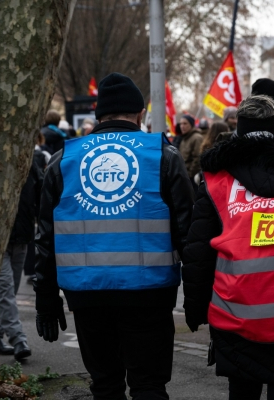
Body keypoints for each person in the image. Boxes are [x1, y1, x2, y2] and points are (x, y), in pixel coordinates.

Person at [34, 72, 195, 399]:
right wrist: (196, 296)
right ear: (140, 114)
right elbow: (188, 234)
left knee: (105, 383)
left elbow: (46, 239)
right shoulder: (163, 156)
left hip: (87, 293)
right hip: (149, 293)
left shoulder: (63, 160)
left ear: (98, 116)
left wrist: (46, 300)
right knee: (148, 384)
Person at [182, 95, 274, 400]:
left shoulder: (215, 179)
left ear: (239, 130)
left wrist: (195, 308)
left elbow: (198, 252)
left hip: (235, 316)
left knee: (242, 393)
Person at [0, 161, 43, 360]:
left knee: (9, 291)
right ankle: (18, 338)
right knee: (5, 291)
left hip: (22, 239)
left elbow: (41, 198)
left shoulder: (31, 164)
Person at [178, 114, 204, 180]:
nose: (182, 126)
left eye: (185, 123)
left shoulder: (197, 138)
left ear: (191, 125)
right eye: (181, 124)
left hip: (191, 178)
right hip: (183, 175)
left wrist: (190, 175)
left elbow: (197, 159)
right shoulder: (184, 138)